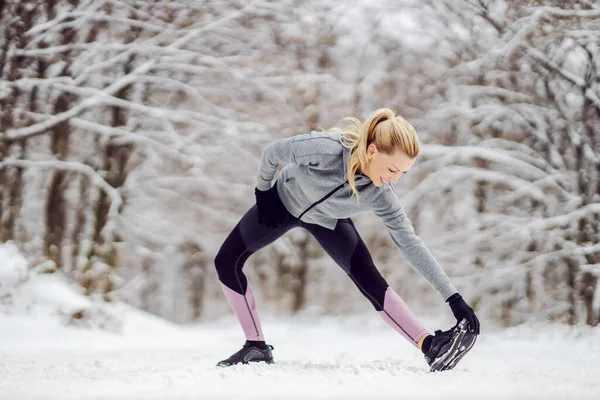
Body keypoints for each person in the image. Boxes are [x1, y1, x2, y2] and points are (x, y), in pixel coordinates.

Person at [214, 108, 480, 372]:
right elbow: (273, 152)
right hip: (280, 203)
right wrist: (263, 194)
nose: (394, 180)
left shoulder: (381, 194)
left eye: (402, 173)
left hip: (328, 221)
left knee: (370, 279)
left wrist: (454, 299)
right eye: (392, 169)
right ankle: (256, 346)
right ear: (372, 151)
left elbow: (411, 243)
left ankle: (430, 346)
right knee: (225, 261)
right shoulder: (326, 149)